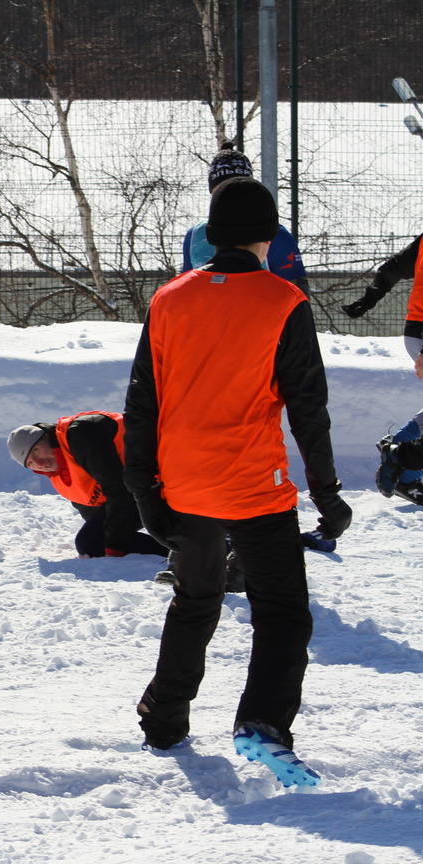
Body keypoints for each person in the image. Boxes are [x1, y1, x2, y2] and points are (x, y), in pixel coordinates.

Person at [124, 176, 351, 786]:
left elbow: (140, 406)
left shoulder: (169, 299)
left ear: (211, 235)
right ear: (271, 237)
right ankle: (262, 724)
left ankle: (164, 717)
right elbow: (308, 408)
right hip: (253, 485)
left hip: (183, 484)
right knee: (281, 610)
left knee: (195, 599)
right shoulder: (283, 302)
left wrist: (147, 495)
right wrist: (327, 494)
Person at [6, 412, 167, 560]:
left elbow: (117, 487)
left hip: (165, 472)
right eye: (30, 463)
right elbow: (95, 516)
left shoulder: (80, 435)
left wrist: (115, 546)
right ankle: (176, 550)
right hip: (139, 490)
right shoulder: (61, 477)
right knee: (92, 542)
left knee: (98, 541)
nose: (39, 463)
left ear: (47, 437)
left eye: (35, 451)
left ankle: (181, 553)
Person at [341, 232, 423, 503]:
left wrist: (367, 301)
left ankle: (402, 458)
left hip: (416, 331)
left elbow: (390, 269)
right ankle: (402, 459)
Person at [182, 141, 310, 296]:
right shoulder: (195, 237)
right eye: (221, 192)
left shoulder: (275, 235)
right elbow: (186, 291)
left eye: (238, 189)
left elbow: (298, 297)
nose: (230, 198)